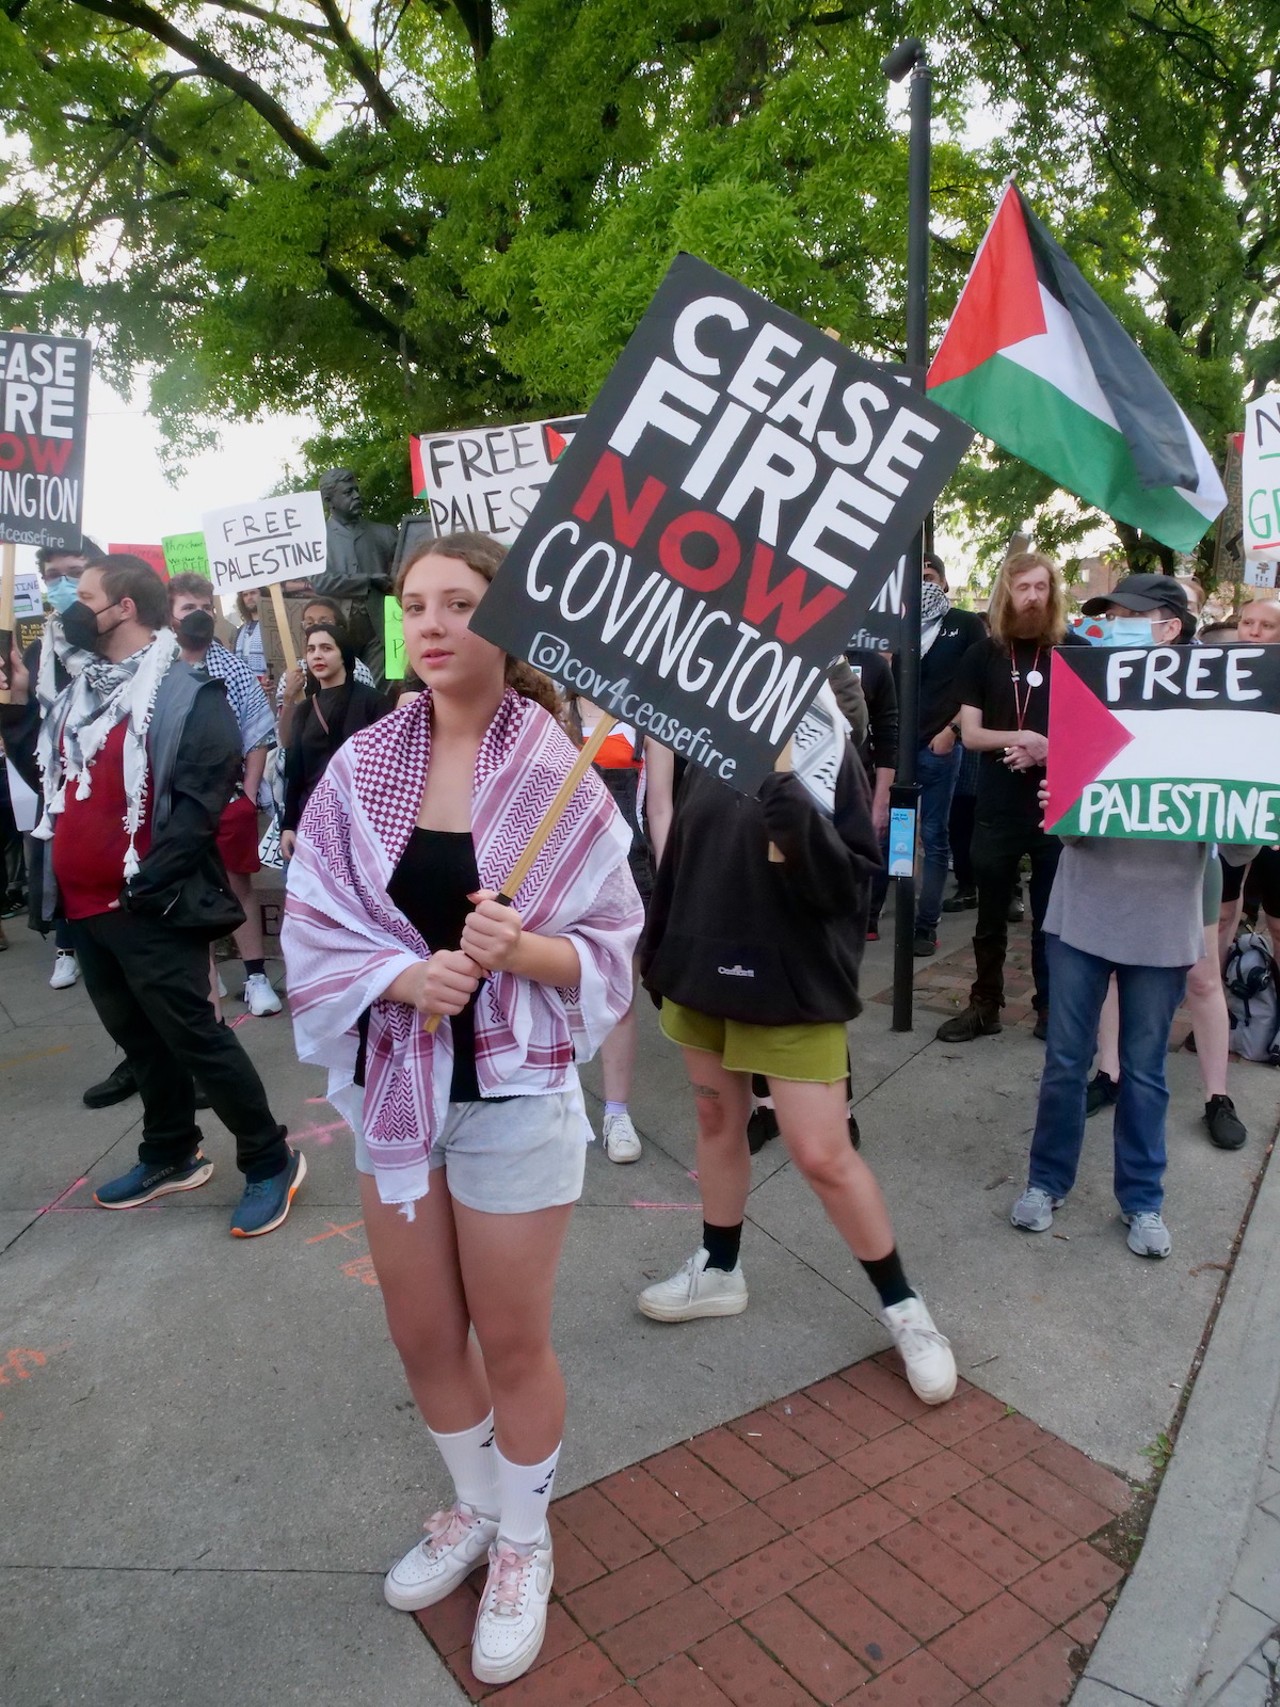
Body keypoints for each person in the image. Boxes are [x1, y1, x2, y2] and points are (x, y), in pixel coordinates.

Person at [281, 531, 642, 1686]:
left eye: (459, 603)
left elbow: (612, 951)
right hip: (397, 1097)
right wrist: (402, 977)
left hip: (513, 1100)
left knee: (512, 1337)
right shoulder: (362, 760)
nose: (430, 625)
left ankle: (526, 1542)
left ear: (510, 622)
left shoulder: (559, 774)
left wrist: (520, 948)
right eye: (415, 606)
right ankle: (475, 1508)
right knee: (422, 1333)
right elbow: (314, 926)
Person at [635, 682, 957, 1406]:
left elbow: (848, 886)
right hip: (699, 969)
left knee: (821, 1151)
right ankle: (720, 1267)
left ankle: (905, 1307)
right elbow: (686, 847)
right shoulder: (700, 718)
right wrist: (660, 951)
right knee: (719, 1120)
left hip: (790, 983)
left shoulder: (819, 737)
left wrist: (787, 802)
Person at [0, 555, 303, 1236]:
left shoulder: (187, 693)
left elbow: (198, 807)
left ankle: (269, 1157)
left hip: (144, 907)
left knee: (197, 1040)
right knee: (141, 1043)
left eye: (81, 598)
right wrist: (19, 709)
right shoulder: (82, 693)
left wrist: (144, 888)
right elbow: (48, 778)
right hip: (87, 910)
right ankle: (170, 1151)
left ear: (124, 608)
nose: (66, 612)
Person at [1010, 573, 1249, 1259]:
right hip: (1084, 913)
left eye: (1126, 615)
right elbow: (1072, 827)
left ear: (1171, 627)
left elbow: (1233, 843)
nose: (1112, 624)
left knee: (1144, 1069)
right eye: (1108, 615)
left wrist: (1260, 798)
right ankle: (1045, 1182)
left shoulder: (1217, 716)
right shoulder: (1088, 699)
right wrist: (1064, 803)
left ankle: (1142, 1201)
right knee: (1065, 1061)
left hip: (1163, 921)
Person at [937, 551, 1081, 1043]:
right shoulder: (983, 655)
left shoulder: (1073, 651)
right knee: (990, 915)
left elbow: (1096, 736)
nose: (1033, 597)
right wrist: (1023, 738)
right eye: (1023, 588)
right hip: (997, 806)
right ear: (1007, 592)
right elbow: (972, 735)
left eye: (1041, 587)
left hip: (1054, 804)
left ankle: (1049, 1007)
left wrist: (1045, 751)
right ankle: (985, 1005)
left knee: (1051, 919)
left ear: (1054, 592)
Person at [168, 574, 282, 1017]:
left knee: (238, 885)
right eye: (186, 608)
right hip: (176, 801)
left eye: (204, 606)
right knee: (190, 889)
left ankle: (255, 975)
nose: (197, 614)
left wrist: (249, 794)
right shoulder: (158, 668)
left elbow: (257, 733)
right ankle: (206, 981)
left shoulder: (233, 666)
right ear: (170, 616)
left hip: (229, 795)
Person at [564, 697, 659, 1164]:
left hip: (626, 871)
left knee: (619, 995)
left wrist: (674, 881)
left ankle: (616, 1113)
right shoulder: (549, 713)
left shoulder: (646, 719)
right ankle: (558, 1103)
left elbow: (660, 810)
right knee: (553, 993)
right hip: (558, 870)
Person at [909, 552, 987, 957]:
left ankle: (926, 924)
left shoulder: (965, 625)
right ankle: (887, 913)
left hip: (938, 746)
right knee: (897, 835)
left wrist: (952, 731)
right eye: (914, 577)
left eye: (928, 576)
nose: (922, 583)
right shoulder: (898, 624)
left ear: (942, 581)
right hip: (899, 749)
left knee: (934, 835)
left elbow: (981, 685)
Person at [279, 623, 388, 858]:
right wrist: (288, 825)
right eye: (311, 649)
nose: (317, 655)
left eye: (326, 648)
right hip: (313, 819)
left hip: (362, 821)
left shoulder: (374, 703)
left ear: (343, 655)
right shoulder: (305, 709)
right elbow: (295, 770)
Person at [311, 467, 397, 683]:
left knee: (378, 690)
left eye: (356, 491)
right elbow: (320, 582)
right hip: (338, 628)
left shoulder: (384, 534)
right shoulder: (317, 540)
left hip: (381, 629)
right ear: (329, 500)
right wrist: (367, 580)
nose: (357, 496)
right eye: (348, 492)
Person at [845, 645, 897, 941]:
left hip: (854, 790)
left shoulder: (872, 664)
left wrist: (881, 802)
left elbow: (888, 734)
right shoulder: (794, 651)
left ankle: (865, 919)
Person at [233, 588, 270, 687]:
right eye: (245, 595)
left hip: (269, 686)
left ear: (263, 594)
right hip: (245, 686)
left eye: (253, 593)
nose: (249, 598)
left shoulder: (273, 626)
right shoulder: (240, 630)